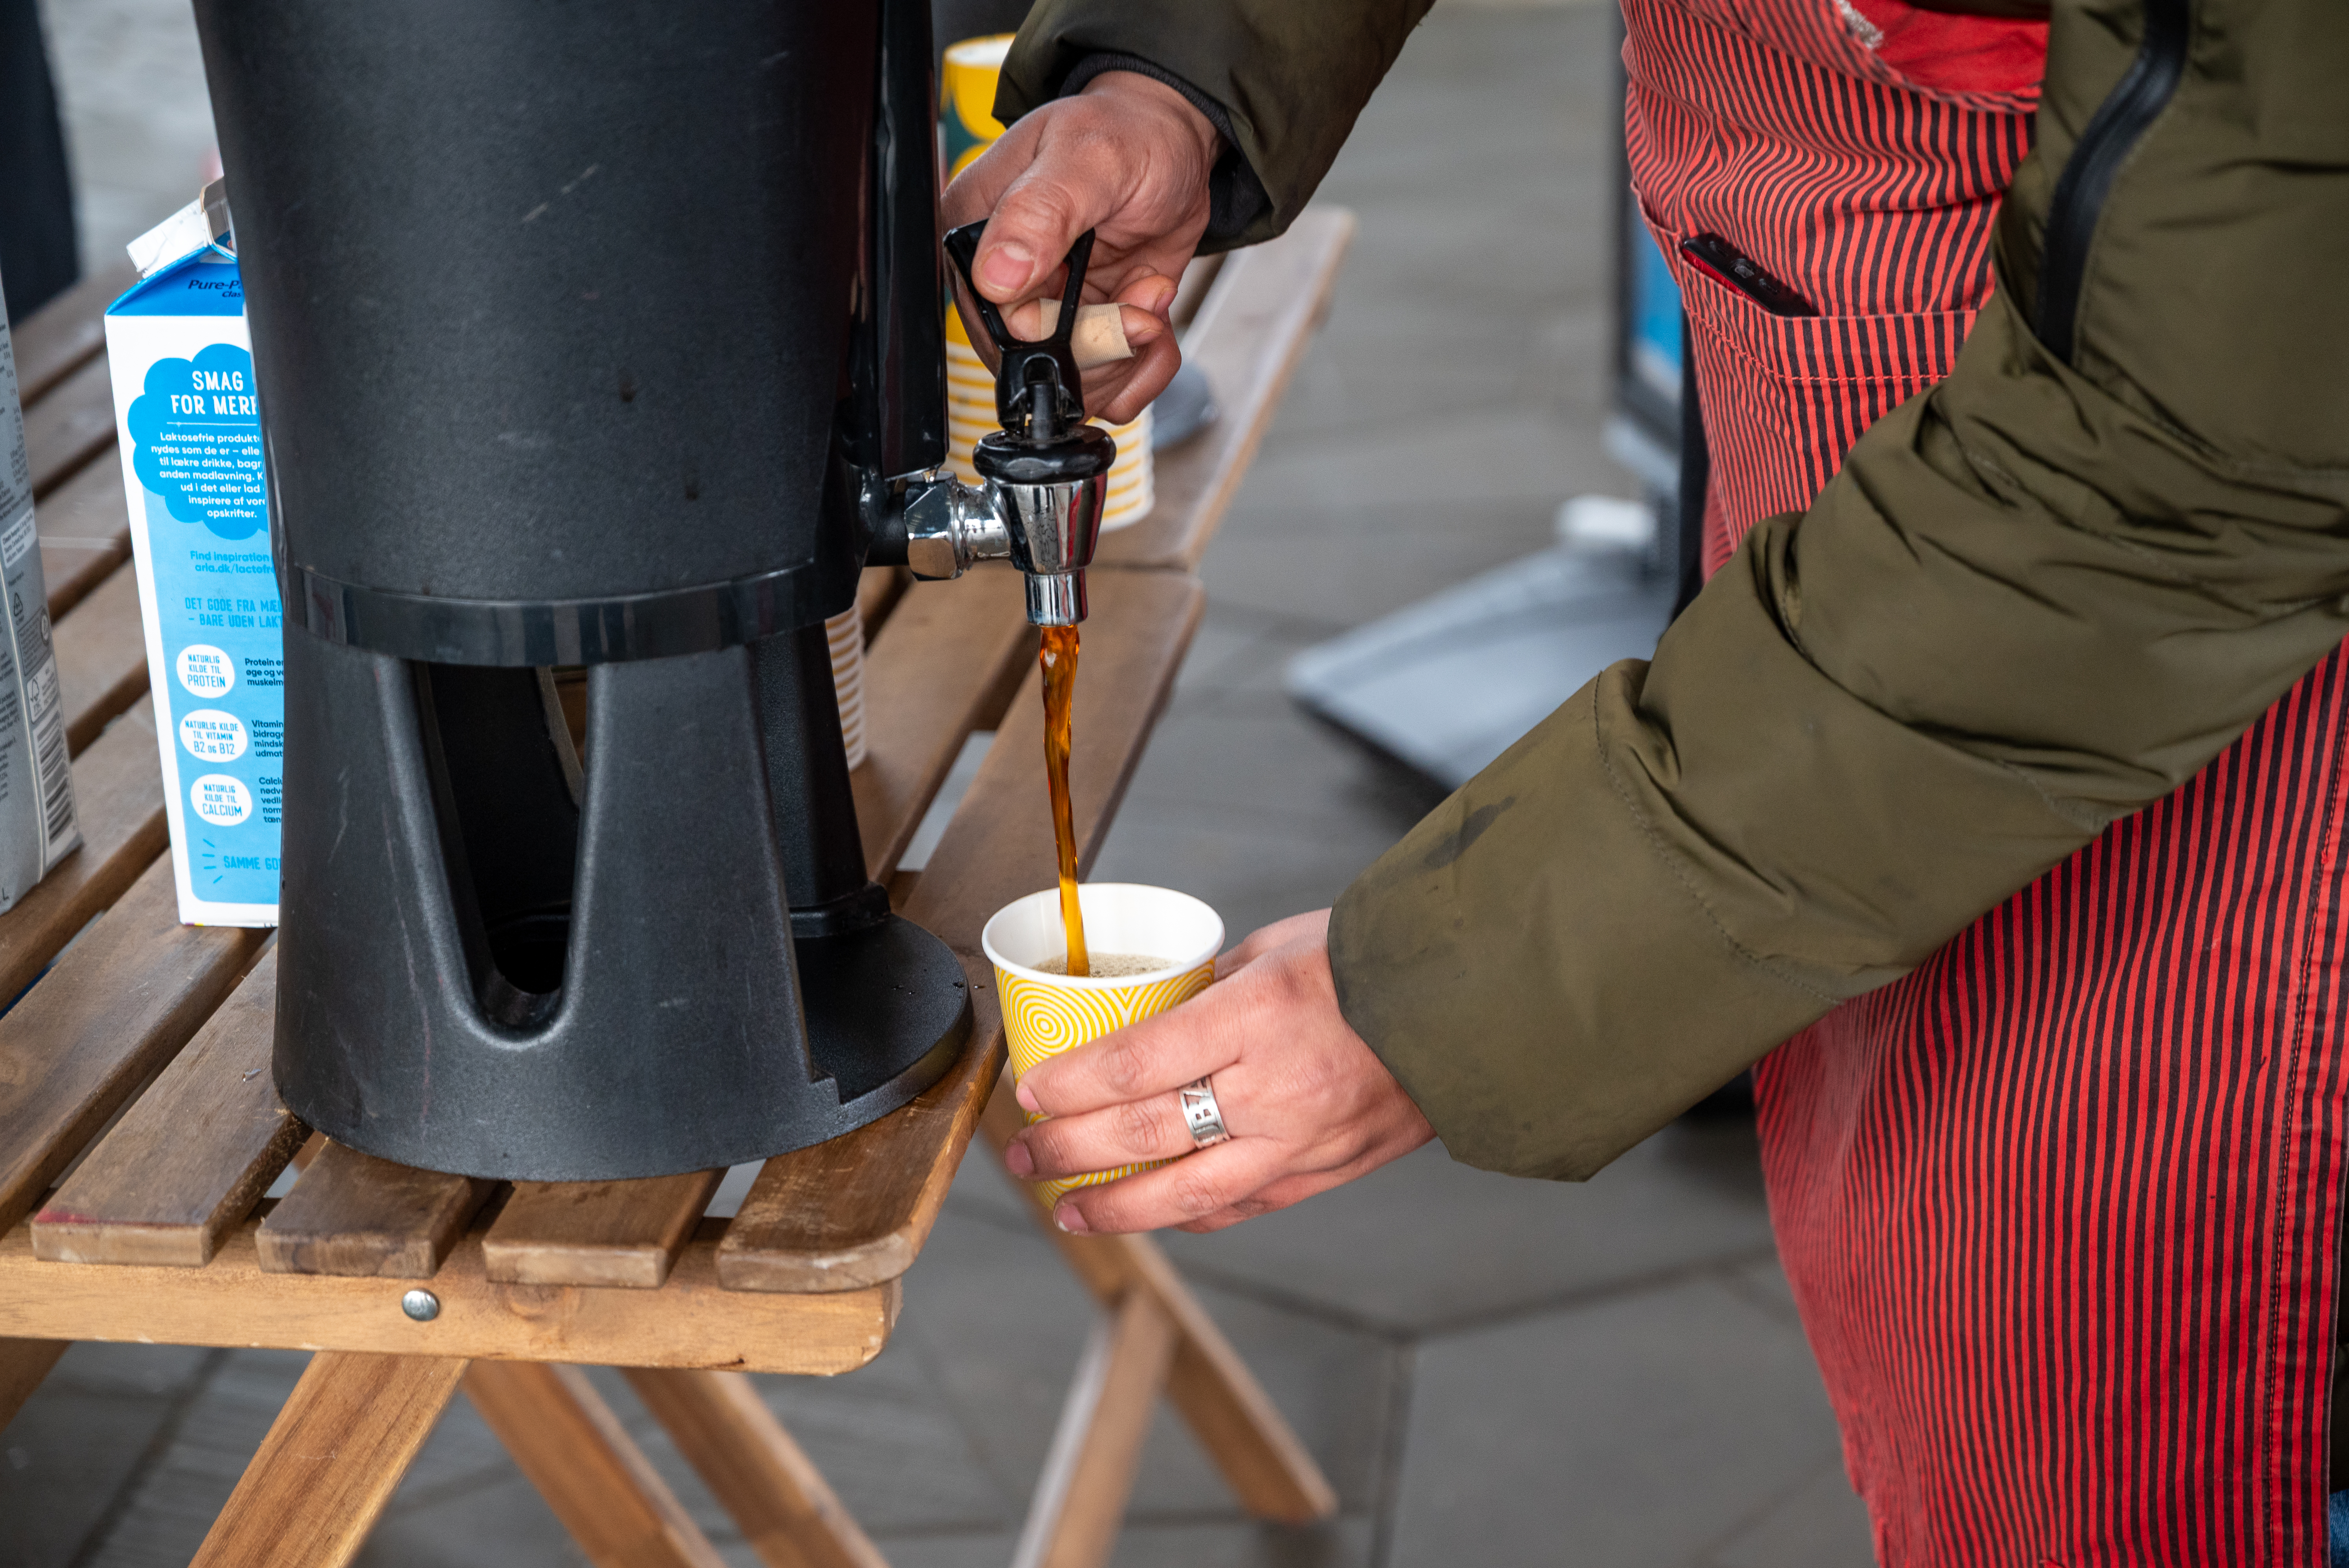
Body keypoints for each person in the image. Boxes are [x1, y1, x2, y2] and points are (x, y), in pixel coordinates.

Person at [943, 0, 2349, 1559]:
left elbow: (2179, 463)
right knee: (1926, 1282)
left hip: (2160, 581)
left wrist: (1454, 990)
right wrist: (1179, 73)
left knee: (2122, 1379)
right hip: (1838, 360)